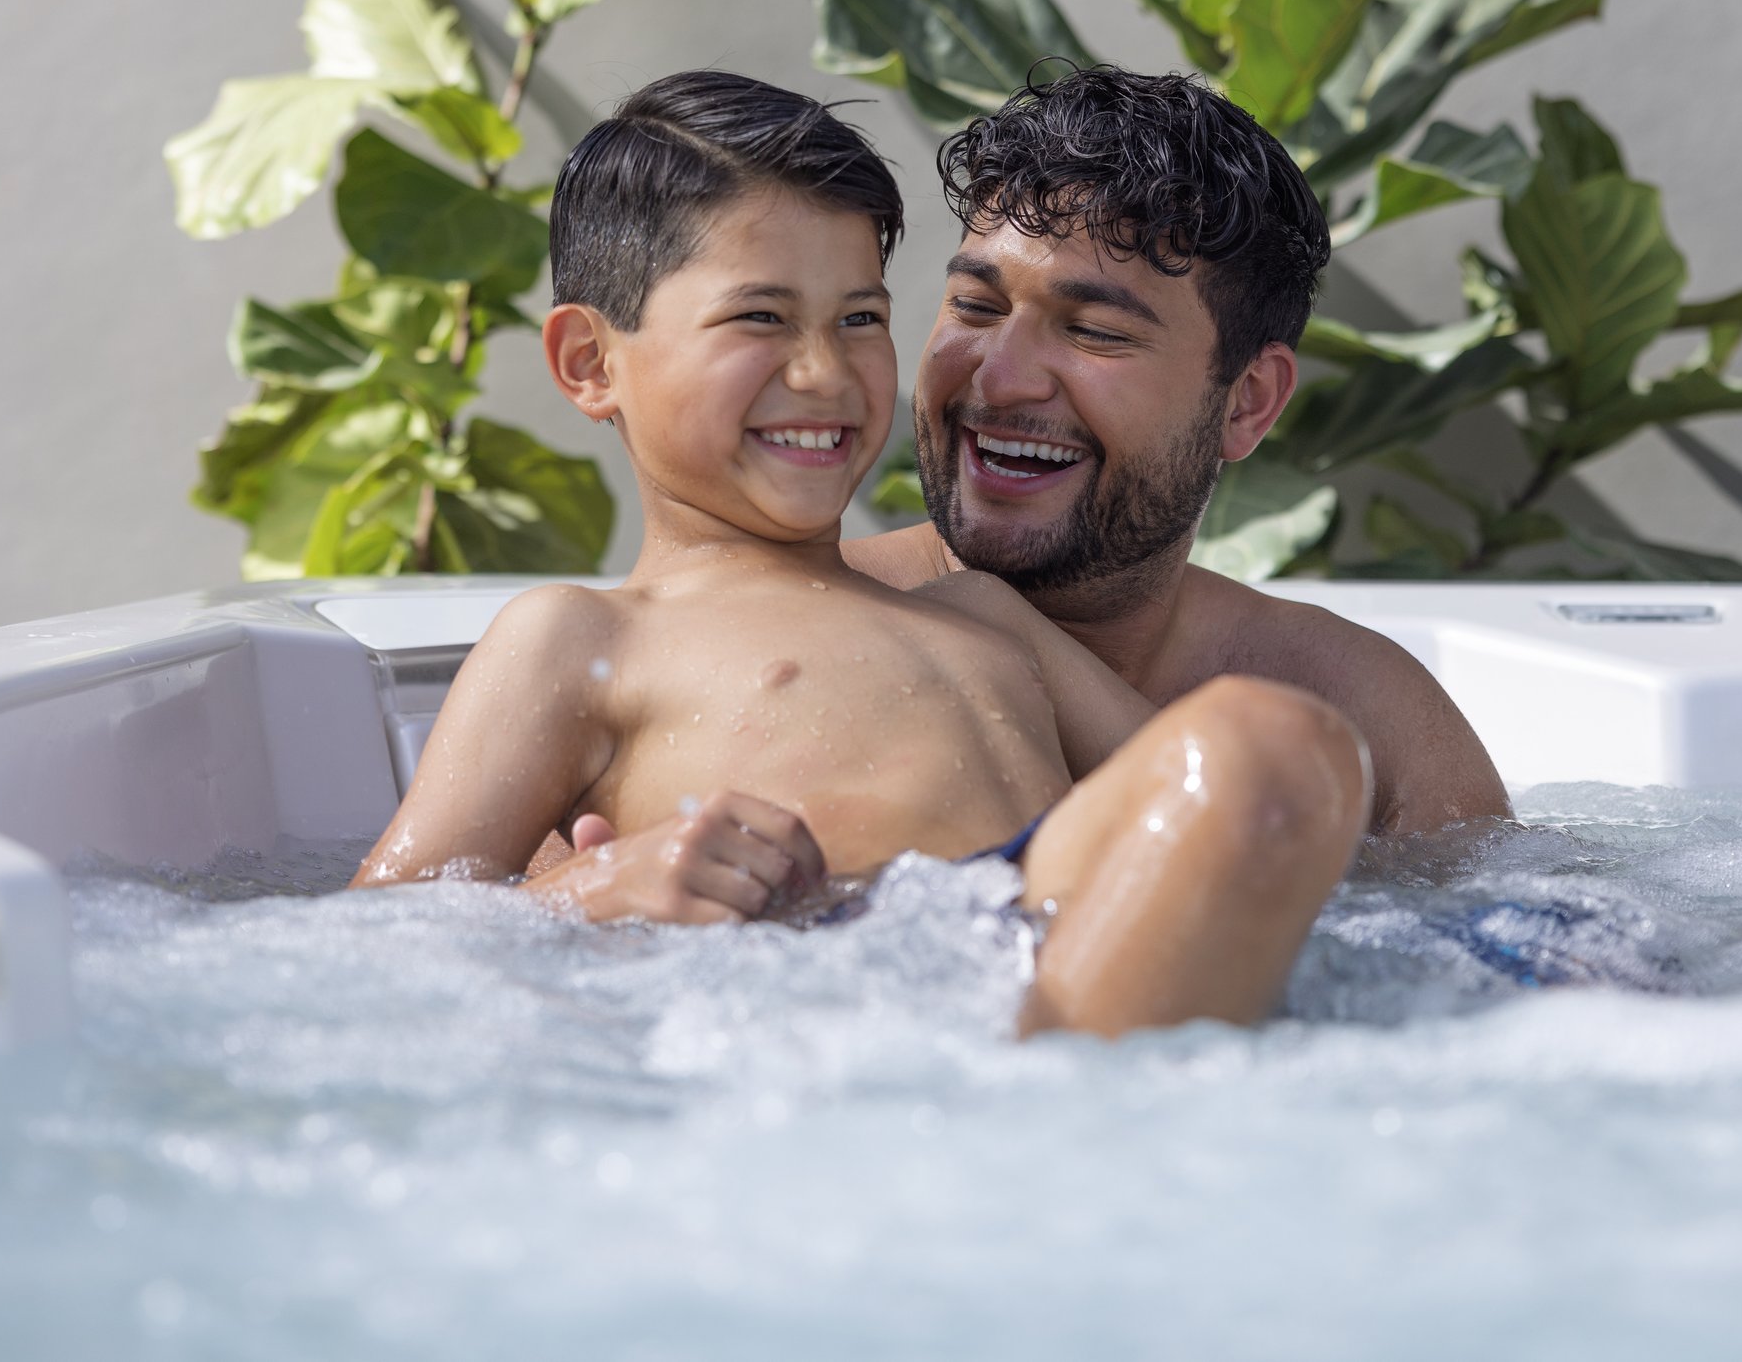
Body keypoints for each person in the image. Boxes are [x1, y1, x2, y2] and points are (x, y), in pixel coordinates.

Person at [352, 71, 1372, 1038]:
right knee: (1258, 738)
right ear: (590, 361)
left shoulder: (978, 608)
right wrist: (581, 896)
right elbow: (367, 936)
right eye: (761, 316)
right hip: (834, 977)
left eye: (862, 319)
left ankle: (1070, 1101)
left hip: (1038, 954)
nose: (823, 370)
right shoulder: (580, 638)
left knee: (1267, 747)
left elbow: (1203, 810)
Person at [842, 65, 1508, 836]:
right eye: (975, 306)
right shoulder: (804, 624)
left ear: (1248, 400)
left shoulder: (1366, 717)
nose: (1001, 377)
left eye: (1094, 331)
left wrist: (1011, 634)